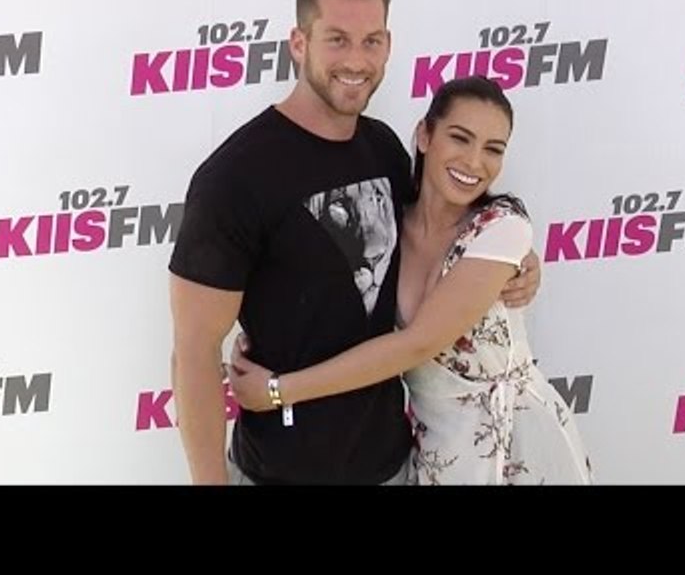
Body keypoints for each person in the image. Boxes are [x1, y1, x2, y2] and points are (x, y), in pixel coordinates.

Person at [168, 0, 542, 485]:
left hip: (392, 465)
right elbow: (193, 352)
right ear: (299, 43)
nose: (356, 60)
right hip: (280, 472)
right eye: (337, 39)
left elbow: (440, 230)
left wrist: (518, 261)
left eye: (371, 41)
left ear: (387, 46)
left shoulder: (384, 149)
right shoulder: (234, 178)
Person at [229, 75, 592, 485]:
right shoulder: (387, 227)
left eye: (494, 149)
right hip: (434, 454)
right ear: (424, 135)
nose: (475, 162)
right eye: (460, 138)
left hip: (515, 448)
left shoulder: (502, 228)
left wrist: (279, 390)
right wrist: (267, 337)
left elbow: (416, 343)